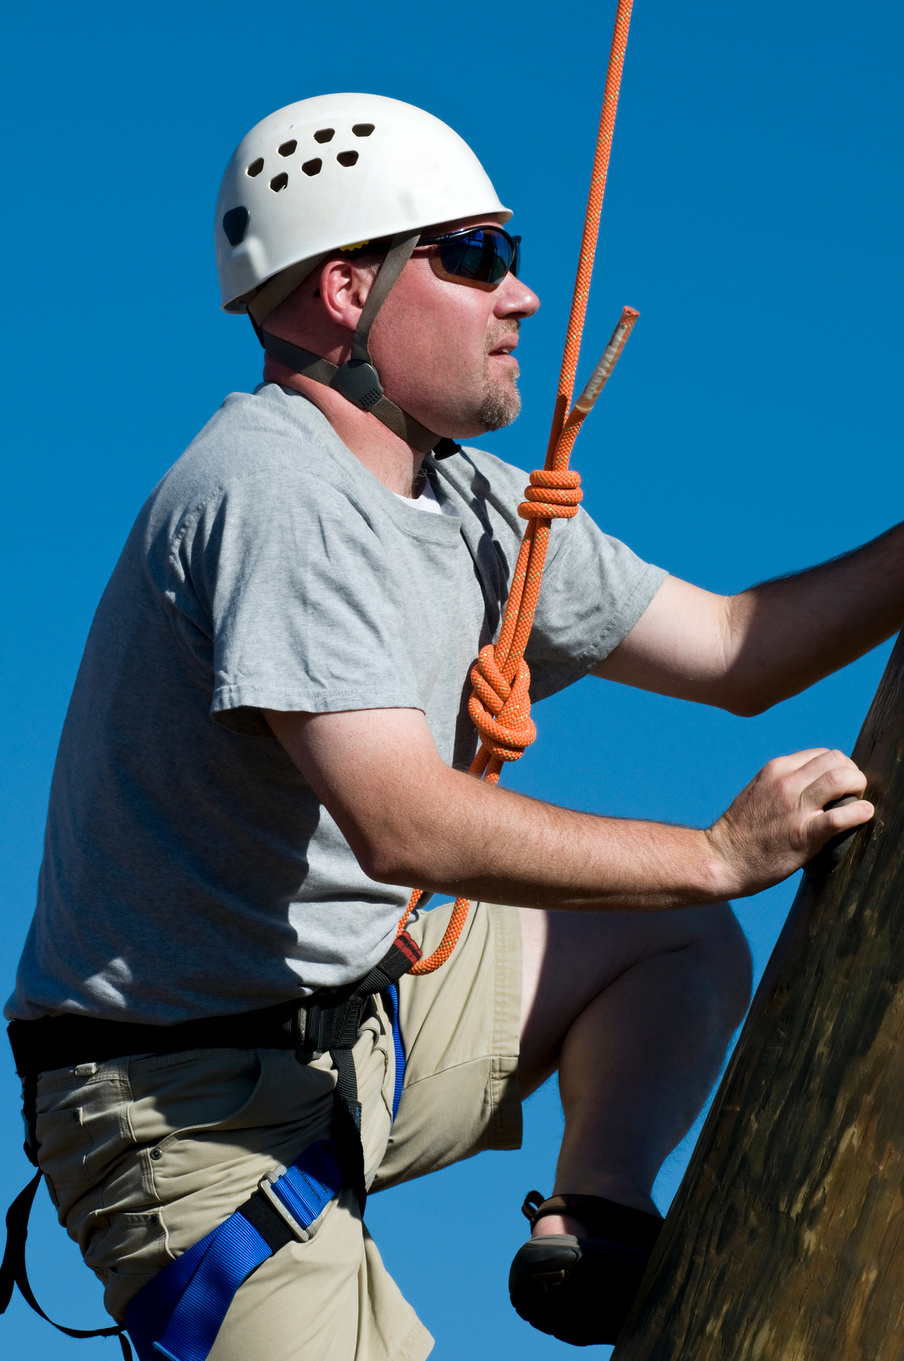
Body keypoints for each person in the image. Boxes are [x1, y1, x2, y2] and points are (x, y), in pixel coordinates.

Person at [2, 92, 895, 1361]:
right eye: (473, 258)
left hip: (356, 1035)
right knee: (686, 888)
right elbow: (400, 818)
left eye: (512, 257)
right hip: (187, 1117)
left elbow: (739, 651)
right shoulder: (270, 487)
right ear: (344, 293)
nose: (519, 296)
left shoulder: (465, 502)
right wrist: (712, 848)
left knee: (671, 938)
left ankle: (595, 1215)